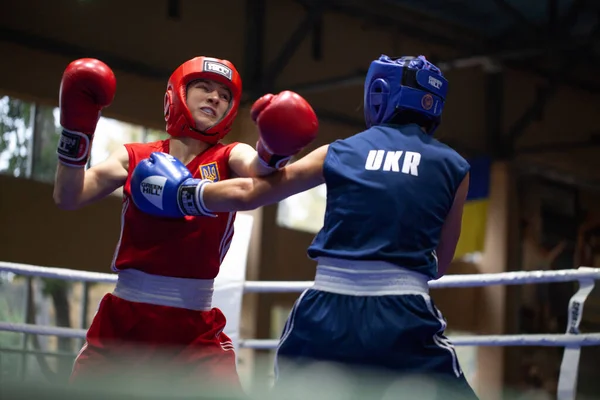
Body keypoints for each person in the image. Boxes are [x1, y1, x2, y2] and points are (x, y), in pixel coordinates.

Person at [130, 55, 477, 398]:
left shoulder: (340, 151)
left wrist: (185, 194)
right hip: (405, 309)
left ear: (379, 93)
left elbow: (257, 192)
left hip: (327, 309)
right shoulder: (455, 166)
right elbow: (441, 263)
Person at [53, 56, 318, 394]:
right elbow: (68, 195)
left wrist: (272, 149)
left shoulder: (229, 156)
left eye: (223, 94)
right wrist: (77, 130)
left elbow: (258, 173)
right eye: (204, 88)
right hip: (126, 319)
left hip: (194, 326)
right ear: (176, 95)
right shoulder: (135, 155)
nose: (214, 98)